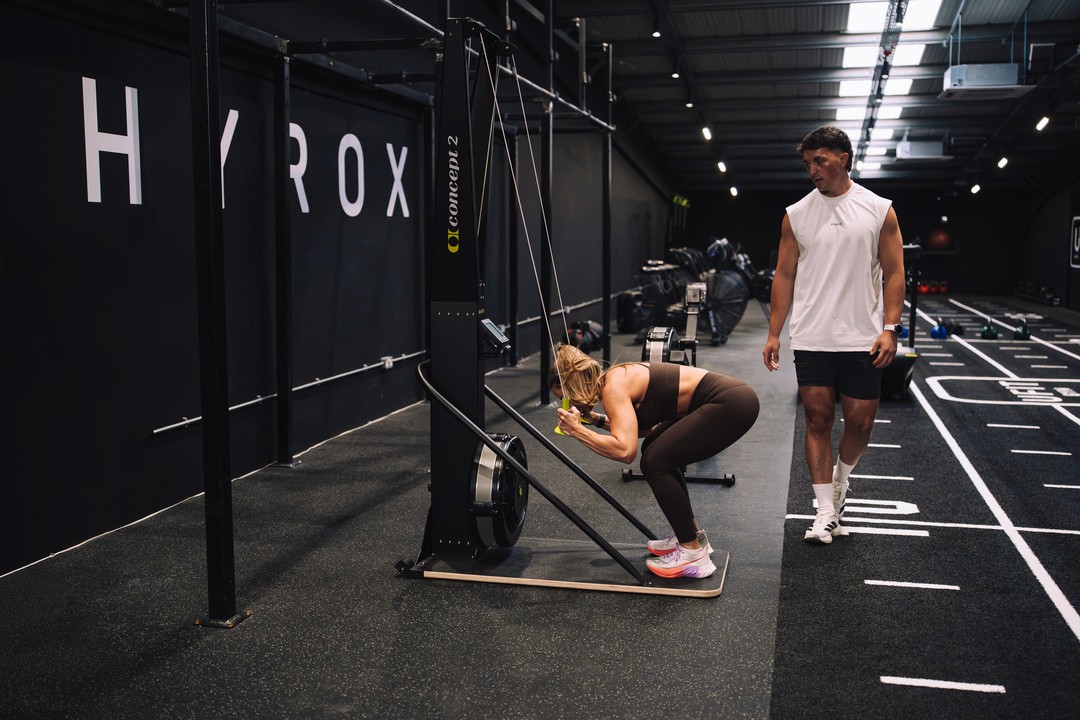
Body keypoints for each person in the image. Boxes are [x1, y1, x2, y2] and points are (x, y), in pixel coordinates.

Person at [762, 125, 906, 545]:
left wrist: (890, 328)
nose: (812, 169)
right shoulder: (796, 214)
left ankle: (841, 481)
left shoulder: (879, 210)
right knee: (818, 420)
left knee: (860, 423)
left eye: (820, 161)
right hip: (812, 335)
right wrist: (774, 333)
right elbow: (784, 275)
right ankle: (824, 509)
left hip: (862, 337)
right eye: (808, 163)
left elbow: (895, 272)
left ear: (843, 159)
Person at [550, 344, 759, 579]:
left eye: (565, 398)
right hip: (733, 399)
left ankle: (693, 554)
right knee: (654, 446)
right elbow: (642, 429)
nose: (569, 405)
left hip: (731, 403)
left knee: (655, 462)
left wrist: (577, 431)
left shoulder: (613, 388)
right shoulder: (615, 378)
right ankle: (692, 537)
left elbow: (625, 451)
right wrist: (595, 420)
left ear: (573, 387)